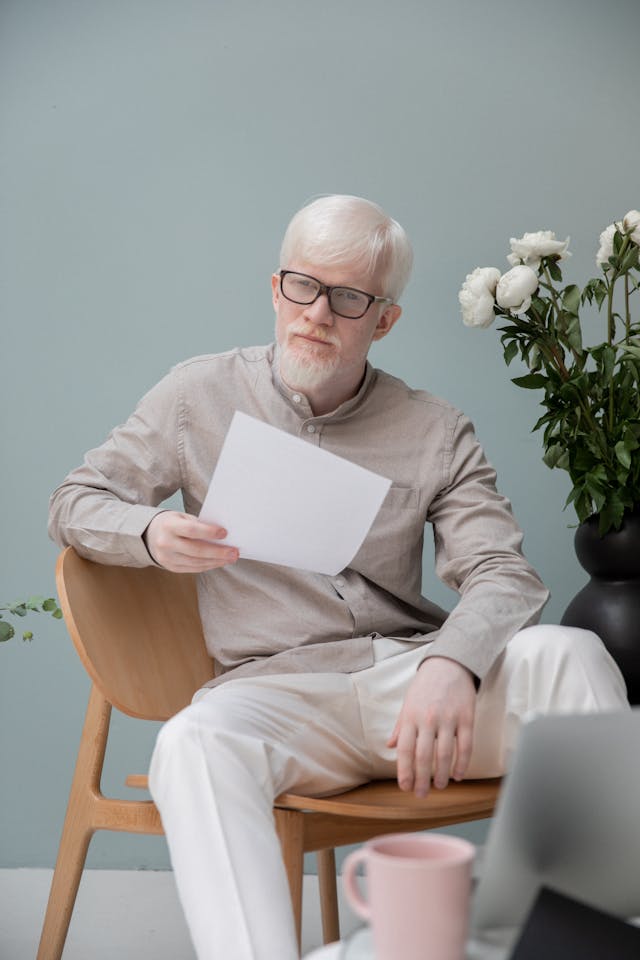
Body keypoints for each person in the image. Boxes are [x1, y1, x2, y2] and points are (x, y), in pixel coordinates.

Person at [48, 195, 629, 960]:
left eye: (349, 297)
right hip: (280, 694)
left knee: (572, 654)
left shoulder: (434, 428)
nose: (317, 313)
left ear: (384, 320)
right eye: (303, 285)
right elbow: (75, 502)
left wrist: (453, 664)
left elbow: (502, 572)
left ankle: (593, 940)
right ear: (276, 287)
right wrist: (150, 533)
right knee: (191, 744)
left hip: (415, 686)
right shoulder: (196, 396)